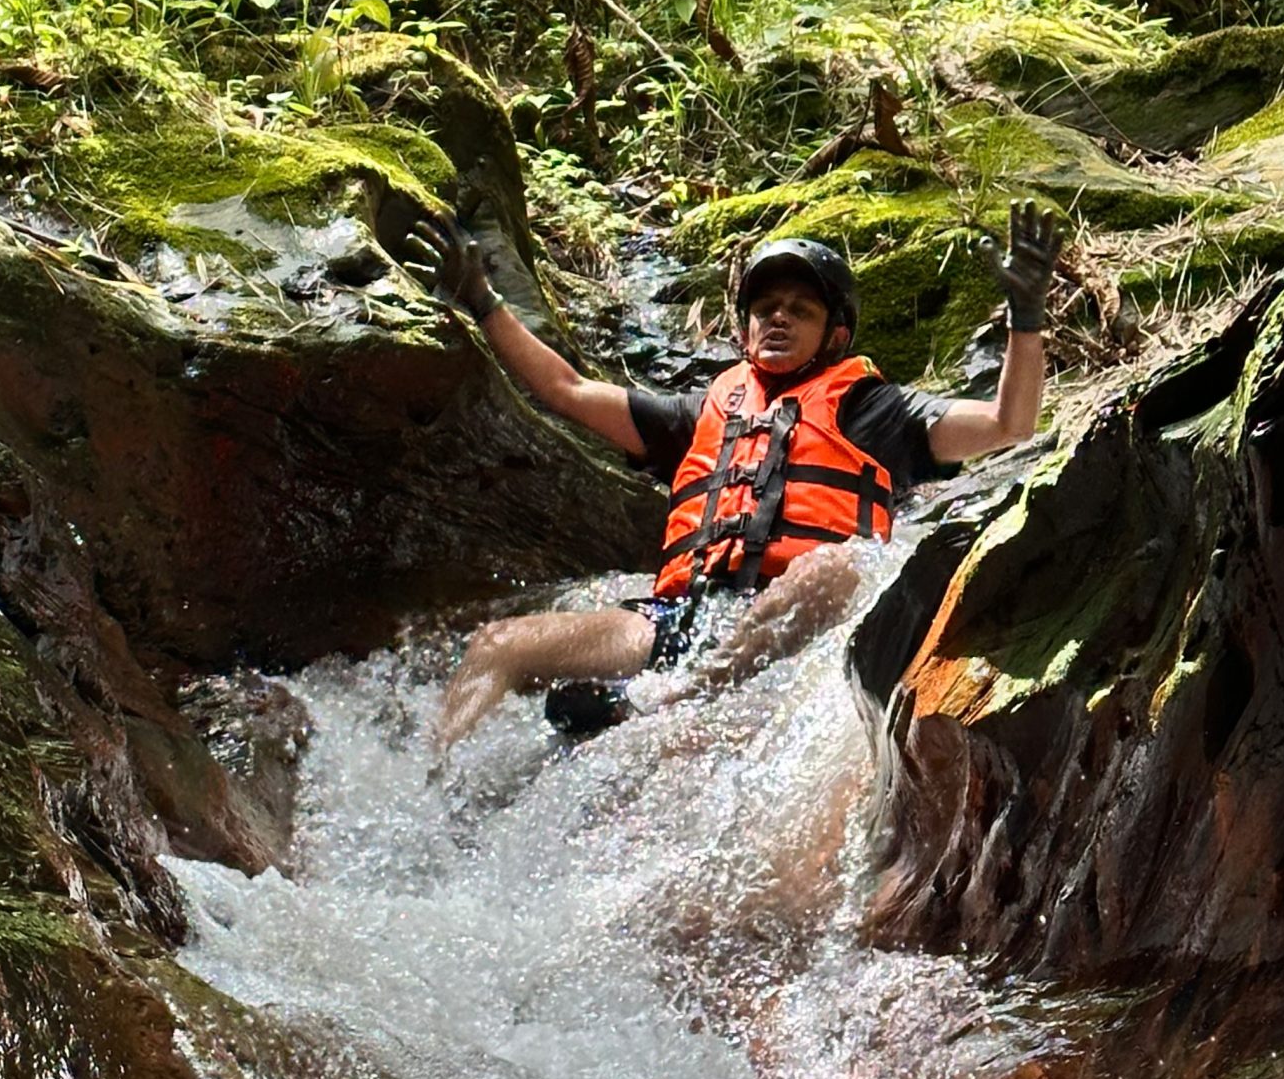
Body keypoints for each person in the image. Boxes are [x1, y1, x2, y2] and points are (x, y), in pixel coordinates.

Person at [405, 205, 1059, 756]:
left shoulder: (875, 411)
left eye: (800, 310)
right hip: (681, 619)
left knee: (840, 567)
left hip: (795, 615)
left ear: (835, 336)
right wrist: (484, 302)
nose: (778, 318)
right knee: (500, 644)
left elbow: (1010, 423)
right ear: (745, 329)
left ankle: (667, 699)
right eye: (765, 308)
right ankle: (438, 786)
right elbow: (566, 389)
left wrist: (1025, 320)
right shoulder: (702, 414)